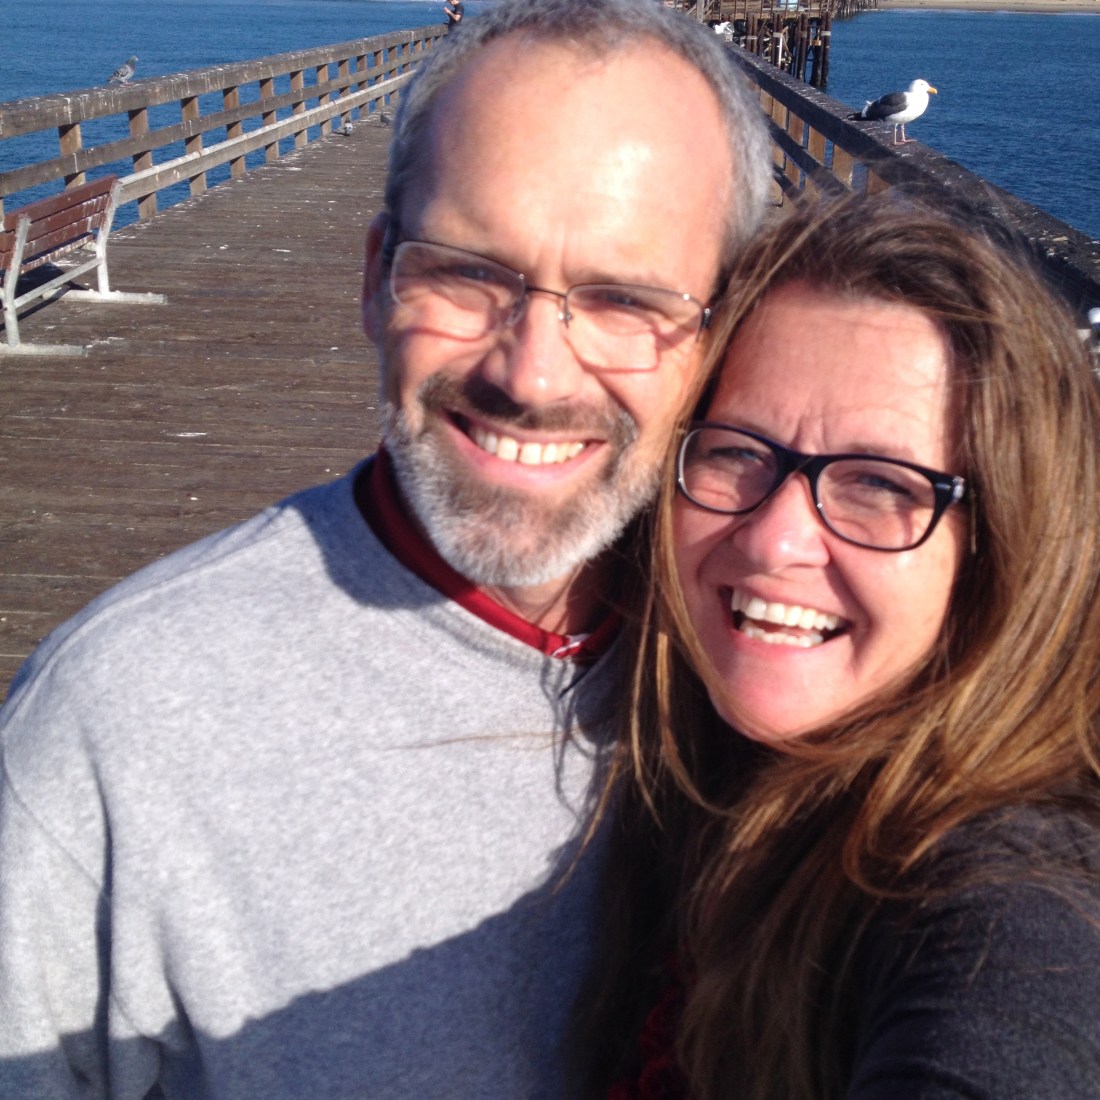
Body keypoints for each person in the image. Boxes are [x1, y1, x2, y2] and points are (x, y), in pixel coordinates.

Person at [0, 1, 771, 1097]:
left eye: (621, 300)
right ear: (373, 280)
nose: (533, 373)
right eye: (466, 273)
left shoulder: (785, 661)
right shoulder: (116, 724)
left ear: (718, 330)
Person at [578, 195, 1100, 1099]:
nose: (777, 538)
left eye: (879, 483)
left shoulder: (1015, 891)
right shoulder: (686, 769)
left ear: (1003, 544)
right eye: (738, 452)